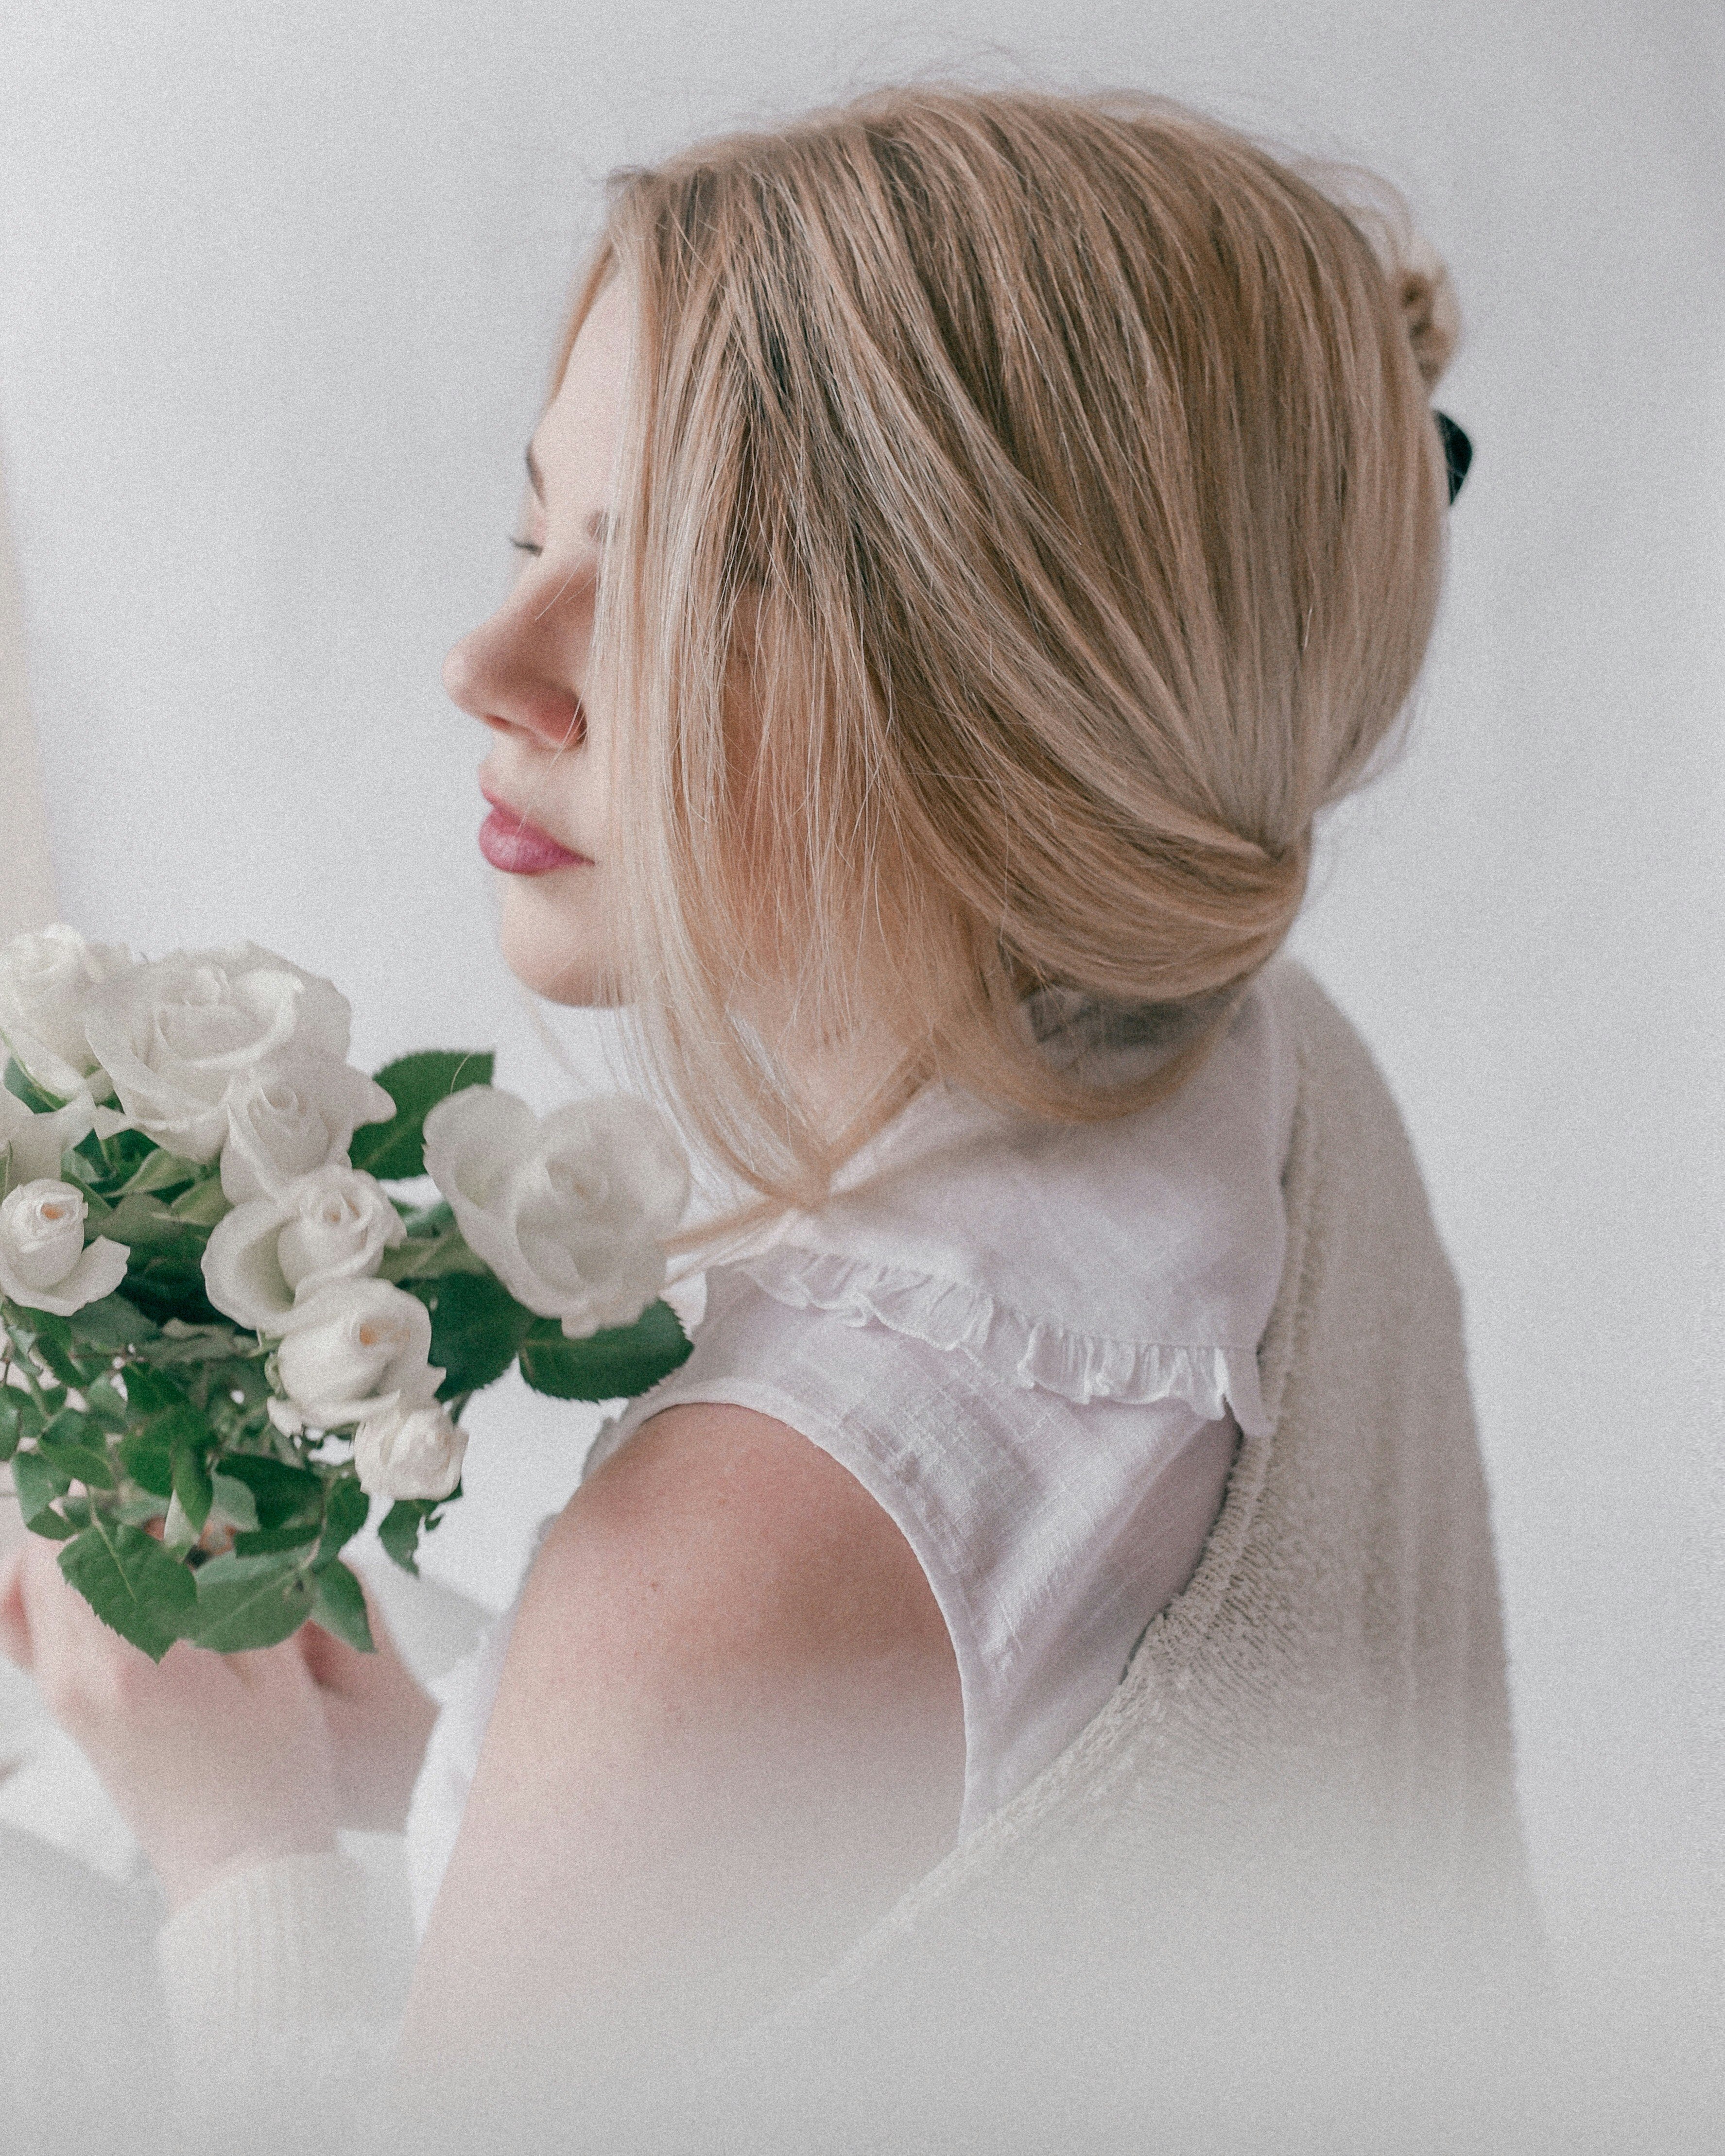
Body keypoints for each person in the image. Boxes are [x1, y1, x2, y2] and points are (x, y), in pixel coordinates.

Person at [0, 85, 1522, 2150]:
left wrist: (241, 1852)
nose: (492, 663)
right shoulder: (1272, 1069)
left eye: (673, 586)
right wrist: (474, 1767)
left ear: (1023, 695)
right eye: (535, 535)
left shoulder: (740, 1546)